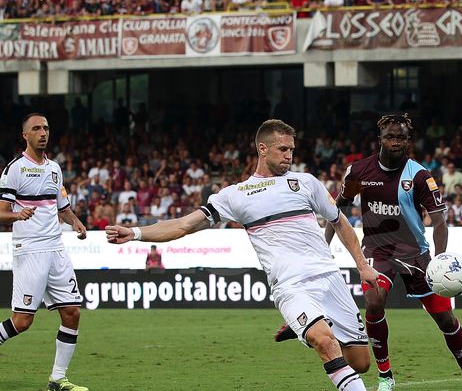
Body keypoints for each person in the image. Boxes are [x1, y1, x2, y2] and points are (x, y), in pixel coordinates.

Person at [106, 120, 378, 391]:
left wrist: (362, 265)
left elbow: (339, 222)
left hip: (330, 279)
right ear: (262, 149)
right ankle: (308, 326)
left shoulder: (306, 183)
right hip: (291, 286)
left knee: (360, 362)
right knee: (325, 342)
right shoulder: (236, 195)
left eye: (292, 150)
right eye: (283, 149)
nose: (289, 155)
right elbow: (183, 225)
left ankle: (302, 326)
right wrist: (136, 233)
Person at [276, 114, 462, 391]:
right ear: (380, 139)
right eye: (390, 136)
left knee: (446, 319)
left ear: (409, 141)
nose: (395, 141)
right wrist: (322, 249)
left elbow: (439, 220)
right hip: (377, 251)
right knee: (374, 302)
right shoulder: (359, 172)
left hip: (416, 255)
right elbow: (337, 212)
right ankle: (386, 376)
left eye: (401, 137)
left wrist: (440, 258)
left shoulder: (420, 176)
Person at [0, 113, 88, 391]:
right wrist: (17, 215)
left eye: (46, 128)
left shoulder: (54, 168)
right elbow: (1, 213)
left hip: (56, 250)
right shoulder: (14, 169)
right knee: (23, 321)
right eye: (36, 128)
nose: (43, 132)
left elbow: (62, 207)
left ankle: (58, 379)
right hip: (31, 250)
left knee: (72, 312)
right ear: (25, 135)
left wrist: (76, 222)